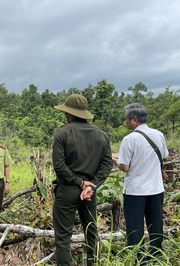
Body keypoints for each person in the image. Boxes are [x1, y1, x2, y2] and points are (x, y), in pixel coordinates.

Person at [52, 94, 113, 266]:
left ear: (69, 113)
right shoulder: (101, 135)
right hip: (89, 192)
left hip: (67, 190)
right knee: (91, 232)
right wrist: (91, 185)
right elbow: (107, 164)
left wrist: (79, 183)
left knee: (63, 237)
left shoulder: (62, 133)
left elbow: (59, 165)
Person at [112, 103, 169, 261]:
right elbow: (164, 156)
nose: (125, 123)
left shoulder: (129, 139)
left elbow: (125, 167)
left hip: (135, 191)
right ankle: (156, 256)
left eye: (126, 120)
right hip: (156, 189)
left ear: (134, 120)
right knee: (156, 224)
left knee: (135, 227)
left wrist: (114, 159)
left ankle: (138, 259)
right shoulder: (158, 134)